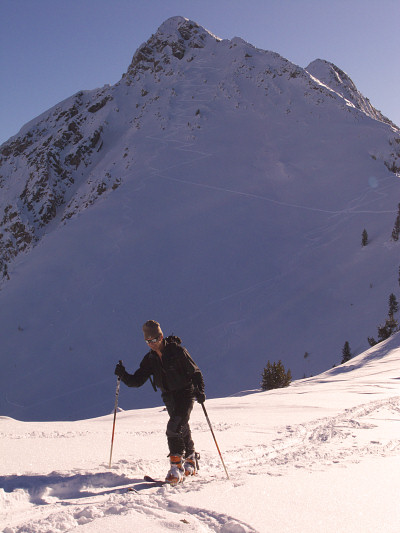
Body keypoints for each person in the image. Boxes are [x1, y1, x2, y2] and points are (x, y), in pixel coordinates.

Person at [114, 320, 205, 485]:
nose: (152, 344)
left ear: (161, 336)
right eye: (148, 342)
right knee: (181, 427)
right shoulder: (150, 359)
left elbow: (195, 372)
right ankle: (190, 459)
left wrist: (200, 390)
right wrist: (124, 375)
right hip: (169, 397)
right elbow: (137, 380)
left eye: (154, 340)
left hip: (185, 394)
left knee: (173, 428)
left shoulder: (178, 352)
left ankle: (176, 468)